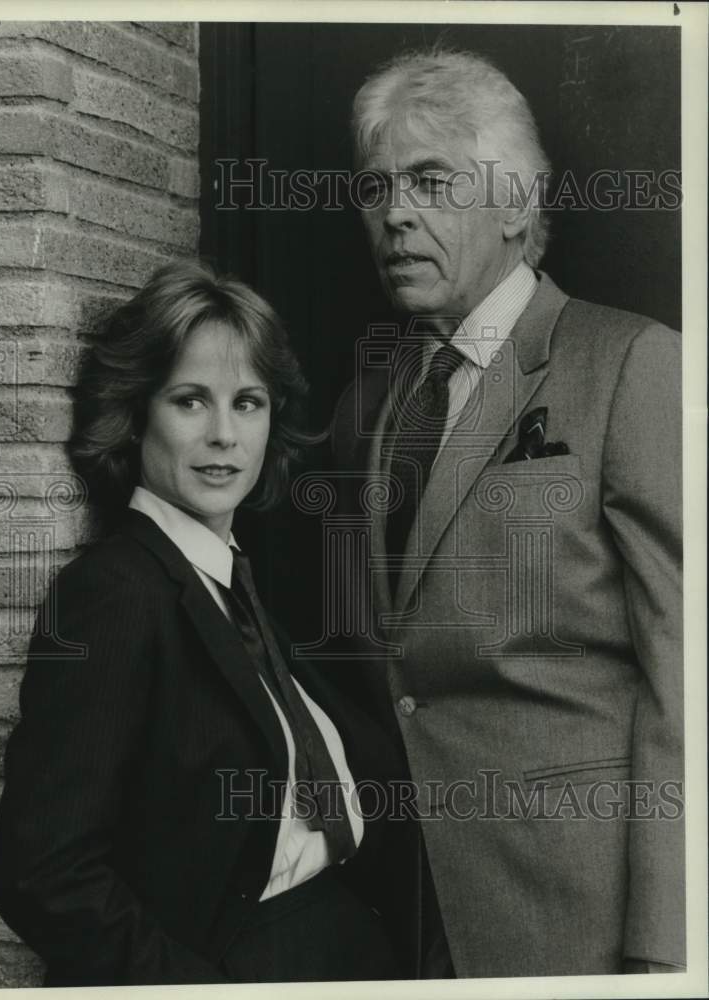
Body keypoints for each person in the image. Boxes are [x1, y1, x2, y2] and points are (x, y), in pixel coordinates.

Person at [331, 48, 684, 978]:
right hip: (414, 916)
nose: (395, 213)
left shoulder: (631, 366)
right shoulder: (377, 404)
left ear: (518, 209)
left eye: (432, 180)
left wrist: (669, 946)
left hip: (581, 917)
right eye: (376, 188)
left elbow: (690, 678)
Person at [0, 260, 407, 986]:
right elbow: (45, 873)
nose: (224, 435)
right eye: (190, 401)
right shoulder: (114, 593)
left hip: (334, 945)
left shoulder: (226, 579)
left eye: (247, 402)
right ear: (134, 411)